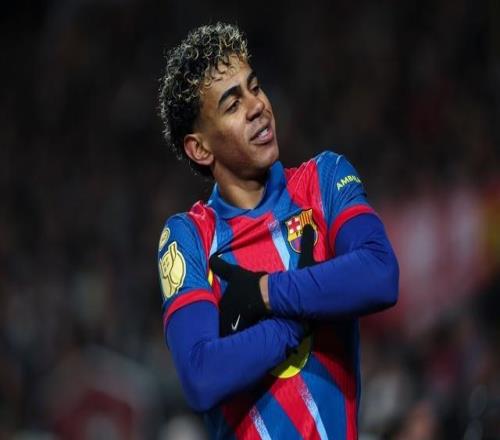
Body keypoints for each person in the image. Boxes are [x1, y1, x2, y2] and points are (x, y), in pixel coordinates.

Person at [157, 22, 399, 439]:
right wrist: (292, 324)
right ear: (200, 148)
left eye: (255, 87)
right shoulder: (190, 237)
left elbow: (380, 273)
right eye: (233, 105)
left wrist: (267, 292)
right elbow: (201, 376)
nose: (257, 106)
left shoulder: (323, 181)